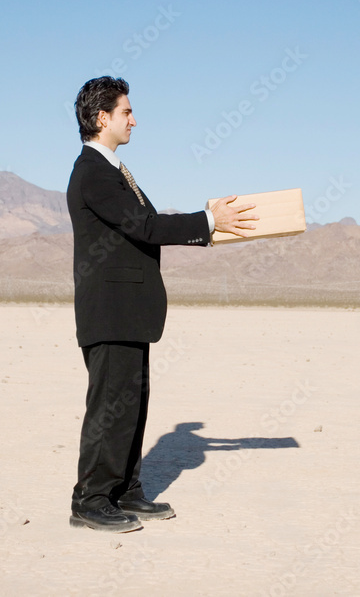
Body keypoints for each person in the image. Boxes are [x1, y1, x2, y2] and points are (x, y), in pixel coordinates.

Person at [66, 76, 258, 533]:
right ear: (102, 118)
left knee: (131, 406)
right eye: (127, 112)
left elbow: (143, 227)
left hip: (130, 314)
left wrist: (210, 226)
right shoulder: (92, 172)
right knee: (110, 407)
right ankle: (90, 500)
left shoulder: (114, 171)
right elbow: (145, 226)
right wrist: (211, 221)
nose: (135, 119)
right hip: (110, 314)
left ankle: (125, 492)